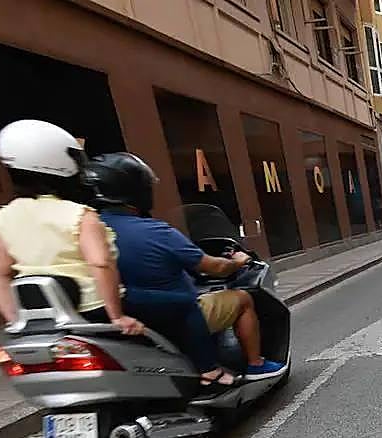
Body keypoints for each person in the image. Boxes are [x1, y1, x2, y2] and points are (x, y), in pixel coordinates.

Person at [84, 152, 286, 380]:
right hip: (169, 317)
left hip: (118, 317)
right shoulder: (157, 231)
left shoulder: (85, 229)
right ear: (139, 191)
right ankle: (255, 364)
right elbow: (213, 268)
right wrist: (237, 262)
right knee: (243, 299)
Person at [0, 120, 145, 337]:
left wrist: (18, 321)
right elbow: (100, 263)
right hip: (93, 310)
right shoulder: (80, 214)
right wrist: (117, 317)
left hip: (45, 316)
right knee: (177, 306)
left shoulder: (6, 214)